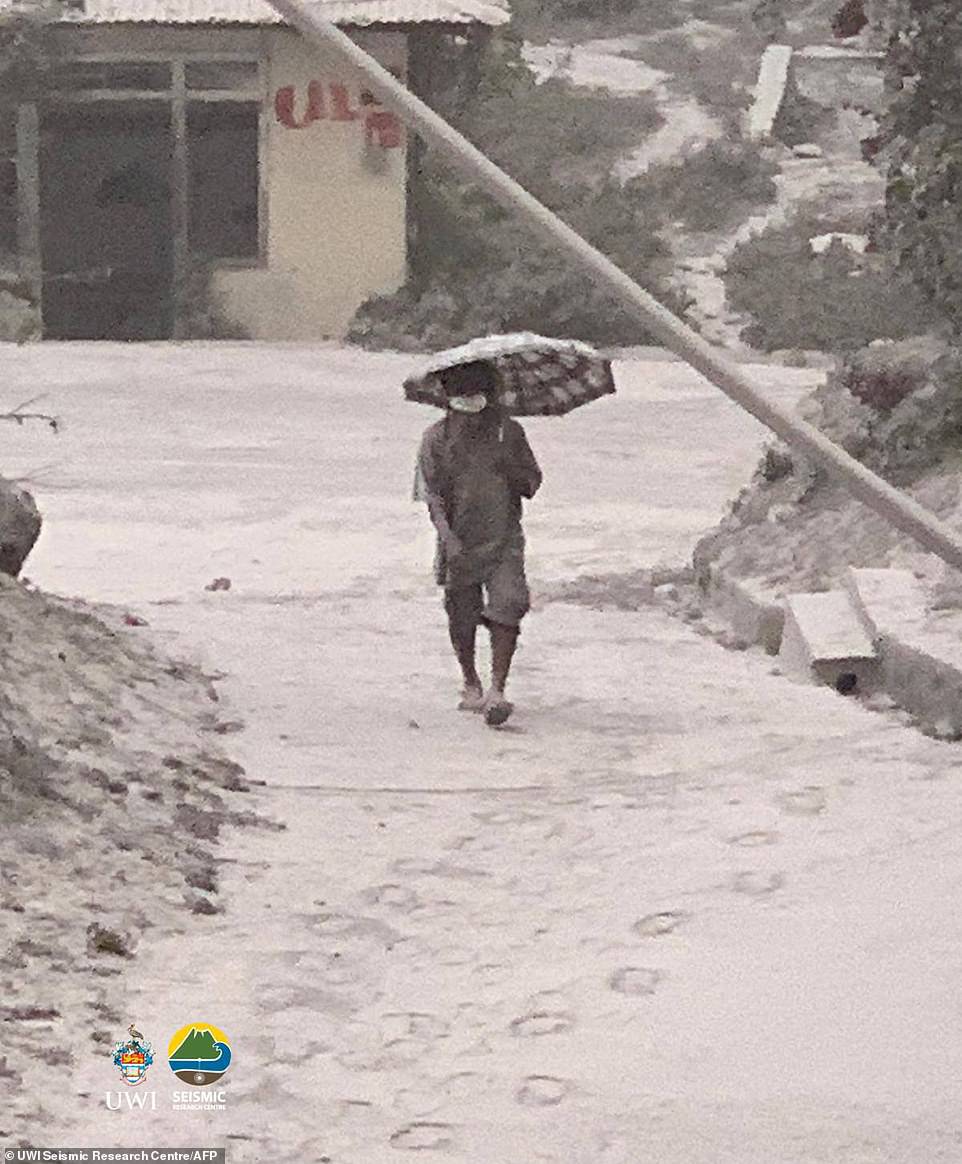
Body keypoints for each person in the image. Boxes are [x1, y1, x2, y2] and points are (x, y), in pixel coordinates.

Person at [414, 359, 542, 726]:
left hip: (504, 536)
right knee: (461, 612)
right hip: (459, 538)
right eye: (462, 409)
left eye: (477, 406)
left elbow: (532, 484)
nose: (470, 420)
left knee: (510, 602)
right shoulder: (436, 439)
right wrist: (448, 538)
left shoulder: (509, 433)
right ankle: (471, 681)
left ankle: (497, 690)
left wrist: (511, 468)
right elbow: (432, 496)